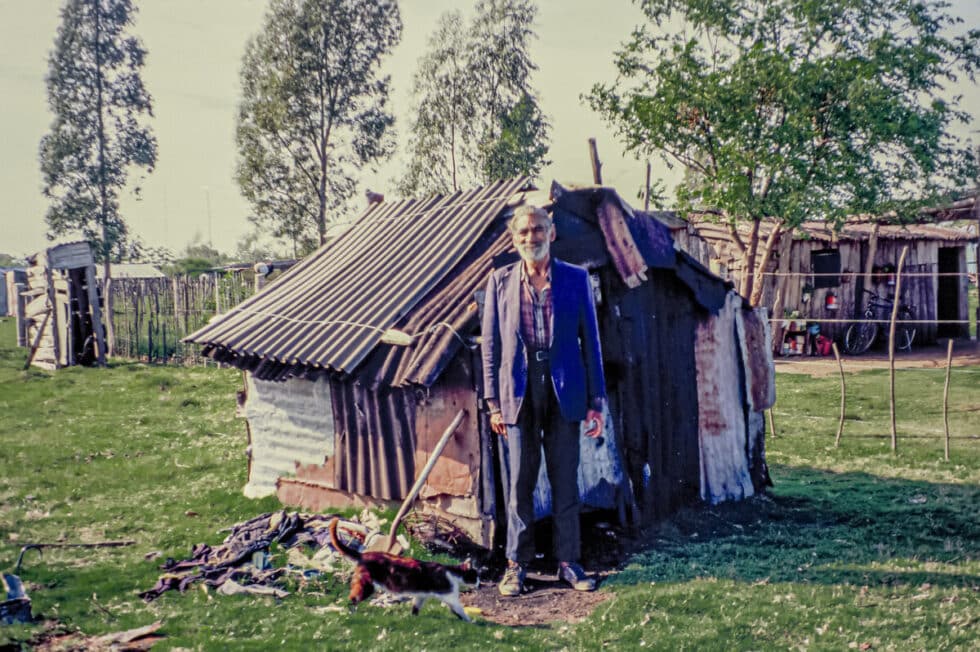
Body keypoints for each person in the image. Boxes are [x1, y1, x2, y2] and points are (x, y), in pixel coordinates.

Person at [481, 204, 607, 596]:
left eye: (537, 230)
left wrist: (595, 402)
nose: (530, 238)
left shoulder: (575, 278)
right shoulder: (499, 282)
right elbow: (490, 347)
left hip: (564, 390)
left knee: (565, 480)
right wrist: (493, 403)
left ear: (551, 234)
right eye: (523, 232)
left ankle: (569, 562)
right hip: (518, 393)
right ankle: (516, 565)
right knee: (519, 483)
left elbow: (592, 343)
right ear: (514, 239)